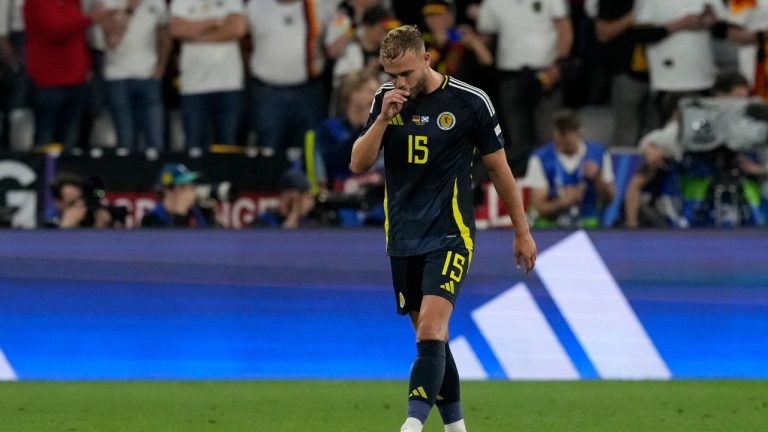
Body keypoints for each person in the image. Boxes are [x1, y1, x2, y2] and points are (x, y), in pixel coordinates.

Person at [349, 25, 536, 432]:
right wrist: (382, 120)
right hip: (402, 235)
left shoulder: (470, 102)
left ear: (426, 60)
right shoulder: (386, 101)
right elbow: (358, 163)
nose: (399, 83)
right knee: (430, 340)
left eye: (406, 74)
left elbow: (500, 170)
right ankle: (456, 428)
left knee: (432, 328)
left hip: (450, 233)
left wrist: (521, 231)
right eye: (391, 74)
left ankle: (411, 426)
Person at [476, 0, 573, 174]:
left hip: (545, 74)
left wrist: (559, 65)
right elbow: (484, 38)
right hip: (510, 76)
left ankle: (551, 185)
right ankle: (523, 190)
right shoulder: (491, 3)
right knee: (516, 140)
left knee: (549, 137)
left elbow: (565, 31)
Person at [169, 0, 246, 154]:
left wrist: (196, 34)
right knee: (194, 144)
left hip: (229, 84)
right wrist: (213, 22)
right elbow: (176, 29)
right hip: (193, 86)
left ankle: (227, 178)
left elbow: (237, 29)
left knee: (228, 143)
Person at [99, 0, 171, 154]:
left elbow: (165, 36)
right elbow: (111, 40)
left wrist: (161, 66)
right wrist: (129, 9)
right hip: (118, 76)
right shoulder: (109, 3)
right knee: (126, 141)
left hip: (149, 75)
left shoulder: (157, 3)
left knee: (155, 141)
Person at [525, 109, 616, 229]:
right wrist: (563, 202)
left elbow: (610, 199)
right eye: (559, 132)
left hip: (588, 224)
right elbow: (539, 207)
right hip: (551, 227)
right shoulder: (540, 158)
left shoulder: (599, 154)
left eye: (567, 133)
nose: (562, 138)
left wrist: (597, 178)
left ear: (579, 132)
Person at [141, 163, 211, 228]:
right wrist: (180, 216)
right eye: (188, 188)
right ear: (168, 191)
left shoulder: (195, 213)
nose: (193, 194)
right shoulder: (151, 220)